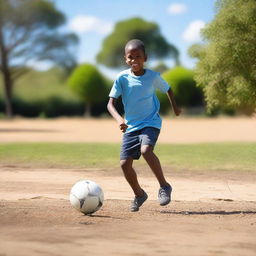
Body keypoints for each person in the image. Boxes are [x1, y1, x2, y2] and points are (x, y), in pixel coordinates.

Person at [107, 39, 181, 212]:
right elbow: (110, 104)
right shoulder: (122, 78)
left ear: (145, 58)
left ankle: (164, 186)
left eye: (138, 56)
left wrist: (175, 107)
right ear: (125, 59)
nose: (134, 60)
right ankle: (139, 194)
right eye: (130, 57)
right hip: (130, 127)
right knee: (124, 164)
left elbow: (168, 89)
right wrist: (119, 119)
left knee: (146, 150)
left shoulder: (153, 77)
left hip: (150, 122)